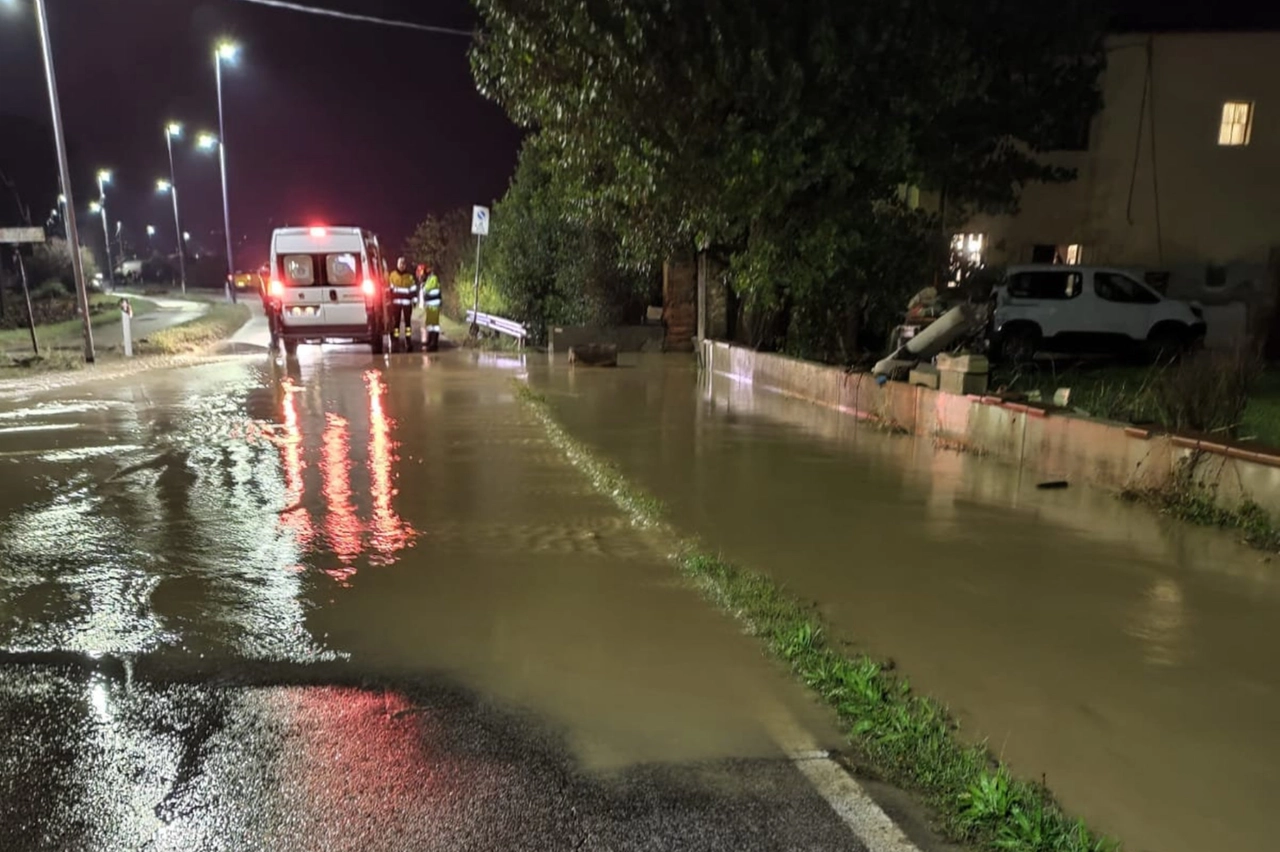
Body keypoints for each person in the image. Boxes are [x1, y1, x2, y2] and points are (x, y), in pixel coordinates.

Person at [388, 256, 420, 352]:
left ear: (405, 265)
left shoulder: (410, 277)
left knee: (407, 323)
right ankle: (395, 340)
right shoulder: (392, 275)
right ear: (397, 264)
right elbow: (390, 290)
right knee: (396, 323)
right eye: (400, 263)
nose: (402, 265)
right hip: (395, 304)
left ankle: (408, 340)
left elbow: (413, 291)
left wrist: (414, 301)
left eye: (403, 264)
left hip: (407, 304)